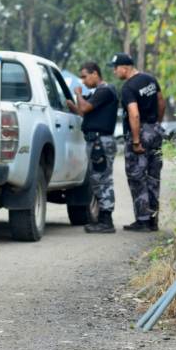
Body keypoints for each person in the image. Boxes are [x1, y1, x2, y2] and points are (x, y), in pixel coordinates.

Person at [109, 53, 165, 232]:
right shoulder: (150, 79)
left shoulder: (128, 87)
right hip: (154, 131)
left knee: (137, 177)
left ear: (124, 67)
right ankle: (153, 221)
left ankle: (142, 220)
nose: (114, 71)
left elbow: (134, 114)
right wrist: (156, 124)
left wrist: (135, 141)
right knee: (153, 177)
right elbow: (161, 102)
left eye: (115, 68)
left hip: (139, 133)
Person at [66, 62, 119, 233]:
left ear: (95, 74)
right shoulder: (97, 92)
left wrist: (78, 95)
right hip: (96, 141)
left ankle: (106, 220)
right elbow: (82, 112)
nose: (82, 80)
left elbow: (85, 107)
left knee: (102, 179)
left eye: (84, 76)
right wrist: (73, 103)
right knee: (98, 179)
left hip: (100, 142)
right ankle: (103, 219)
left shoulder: (105, 90)